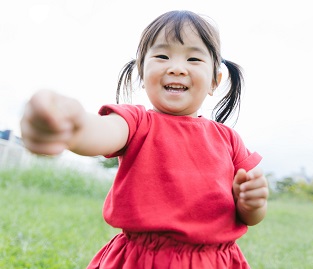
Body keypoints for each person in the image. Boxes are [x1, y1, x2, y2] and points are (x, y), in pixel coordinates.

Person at [20, 10, 269, 269]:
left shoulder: (228, 139)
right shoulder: (137, 122)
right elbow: (101, 132)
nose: (176, 68)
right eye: (162, 56)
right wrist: (73, 127)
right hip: (143, 260)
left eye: (193, 59)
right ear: (141, 70)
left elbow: (250, 217)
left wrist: (252, 202)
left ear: (214, 82)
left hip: (215, 261)